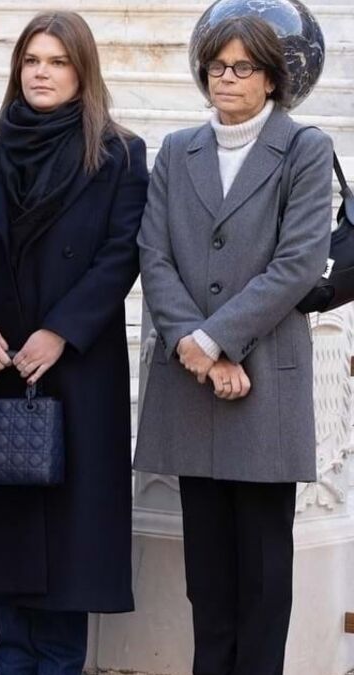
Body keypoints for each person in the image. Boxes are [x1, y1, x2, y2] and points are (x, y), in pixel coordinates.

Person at [0, 11, 147, 674]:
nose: (42, 73)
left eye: (57, 61)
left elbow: (121, 254)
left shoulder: (119, 153)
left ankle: (57, 664)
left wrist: (60, 332)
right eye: (32, 60)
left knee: (68, 540)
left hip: (75, 368)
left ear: (82, 71)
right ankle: (11, 662)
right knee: (2, 530)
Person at [134, 15, 334, 675]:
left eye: (243, 67)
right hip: (191, 384)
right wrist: (194, 345)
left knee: (265, 574)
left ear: (272, 78)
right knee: (208, 573)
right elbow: (154, 254)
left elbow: (299, 263)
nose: (226, 78)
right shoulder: (177, 149)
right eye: (217, 66)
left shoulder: (303, 149)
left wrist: (216, 339)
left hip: (266, 383)